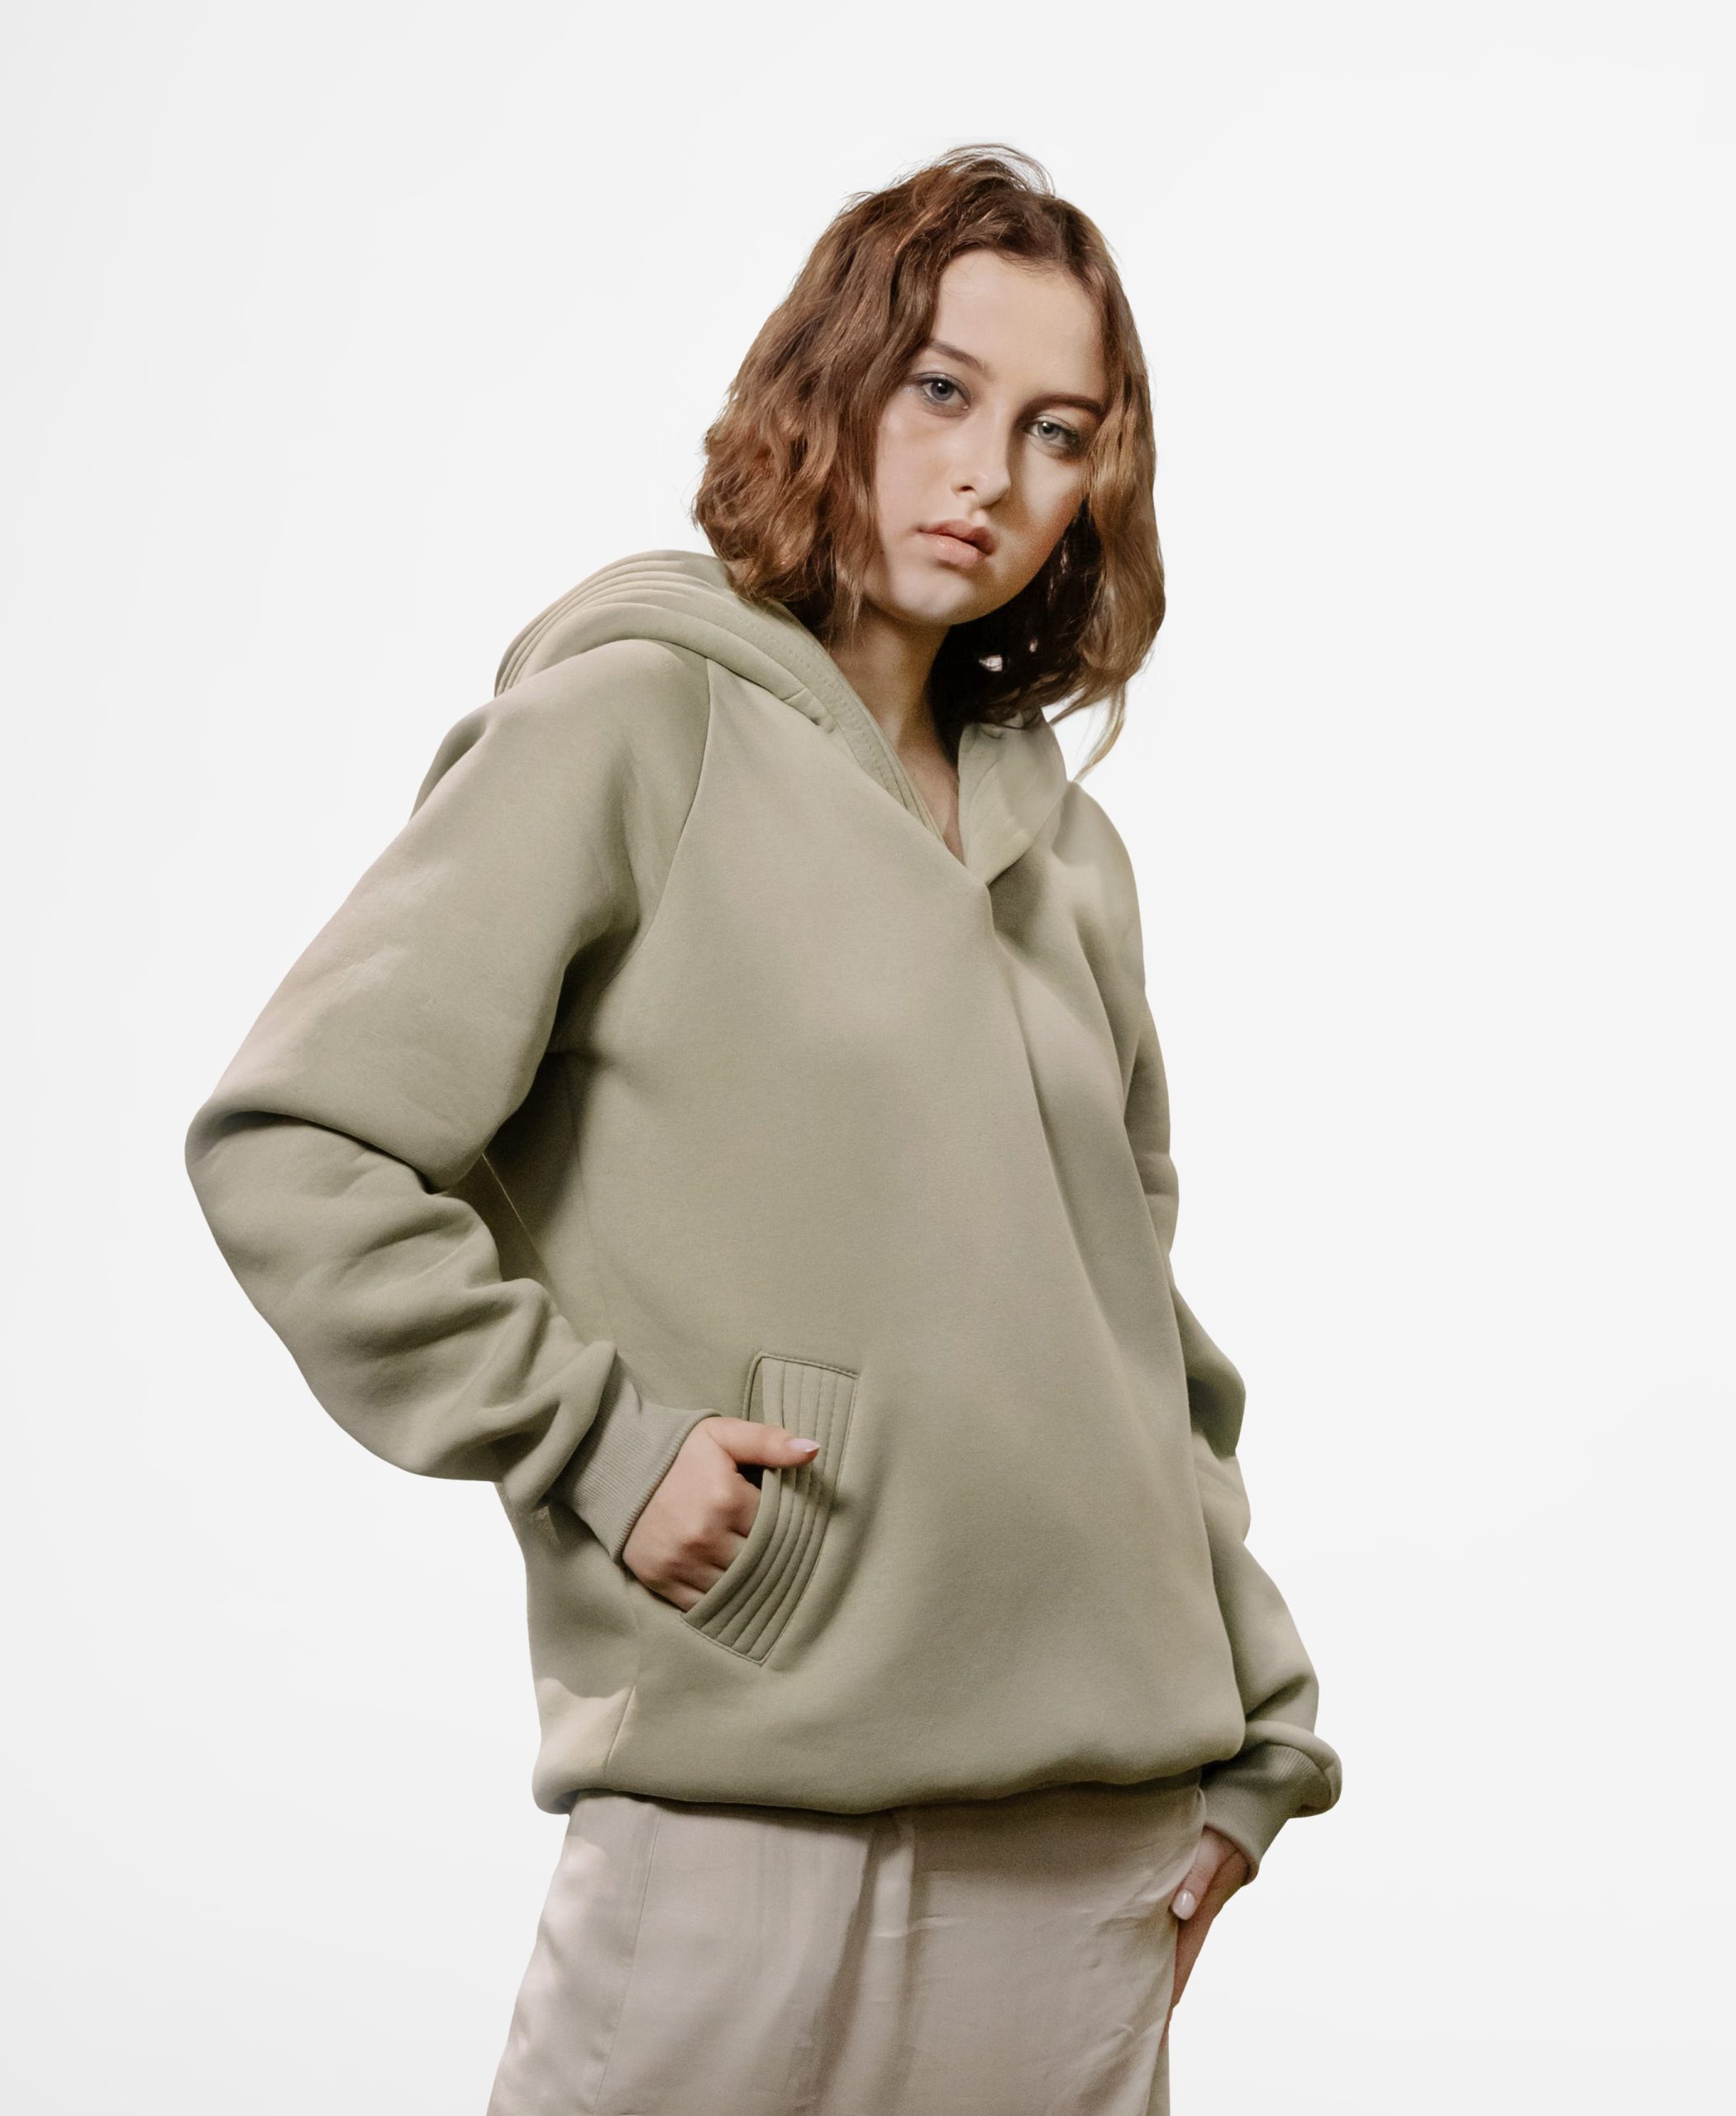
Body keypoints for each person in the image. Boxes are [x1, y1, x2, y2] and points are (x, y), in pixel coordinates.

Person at [184, 141, 1343, 2115]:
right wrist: (599, 1443)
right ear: (836, 382)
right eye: (941, 389)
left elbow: (1132, 1323)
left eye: (1056, 431)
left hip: (1099, 1833)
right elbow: (296, 1141)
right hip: (755, 1801)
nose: (988, 474)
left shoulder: (1071, 856)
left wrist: (1255, 1724)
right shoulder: (635, 723)